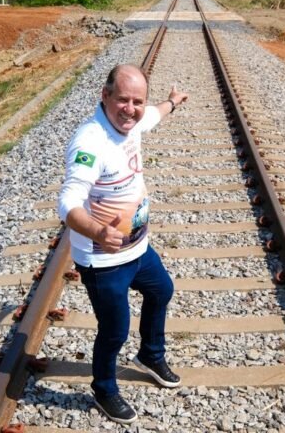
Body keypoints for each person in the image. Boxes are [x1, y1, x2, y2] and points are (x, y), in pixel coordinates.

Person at [58, 64, 188, 424]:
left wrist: (172, 102)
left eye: (137, 101)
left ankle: (150, 354)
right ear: (105, 96)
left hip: (137, 249)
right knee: (115, 330)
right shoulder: (90, 142)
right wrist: (97, 232)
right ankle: (104, 388)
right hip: (103, 260)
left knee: (161, 290)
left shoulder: (133, 122)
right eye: (122, 100)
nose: (130, 109)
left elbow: (152, 115)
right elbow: (67, 201)